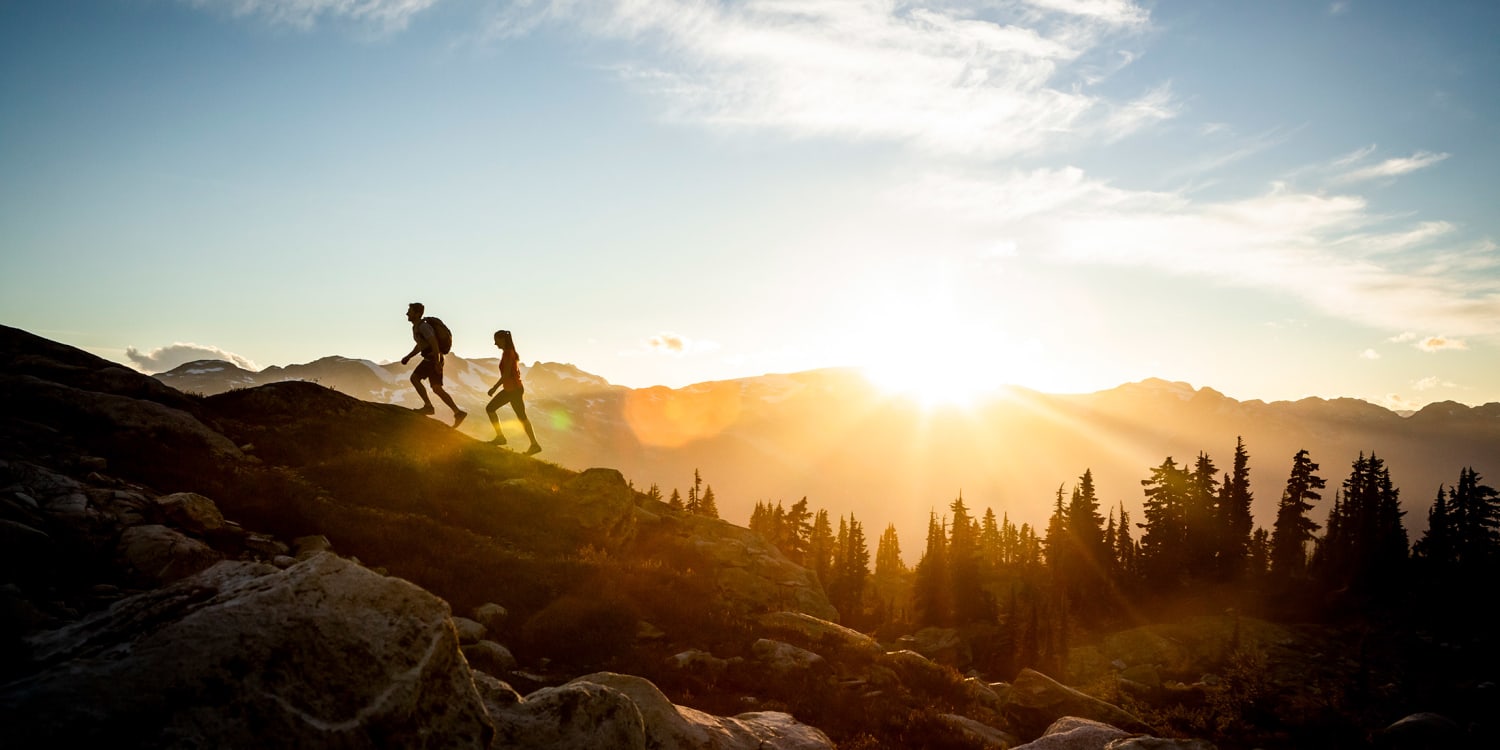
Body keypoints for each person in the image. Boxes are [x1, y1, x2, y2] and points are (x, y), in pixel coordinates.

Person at [401, 302, 466, 427]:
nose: (407, 313)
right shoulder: (417, 327)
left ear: (417, 313)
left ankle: (428, 406)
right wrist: (408, 357)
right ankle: (458, 412)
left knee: (414, 378)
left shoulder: (423, 327)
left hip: (432, 358)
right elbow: (421, 345)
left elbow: (434, 343)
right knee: (437, 388)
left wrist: (436, 362)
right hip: (435, 358)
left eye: (410, 311)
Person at [485, 329, 541, 455]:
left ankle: (503, 438)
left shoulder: (508, 353)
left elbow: (506, 374)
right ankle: (533, 444)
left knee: (492, 409)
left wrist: (494, 388)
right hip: (512, 389)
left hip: (513, 390)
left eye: (496, 340)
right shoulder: (508, 352)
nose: (495, 343)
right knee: (519, 416)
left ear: (502, 340)